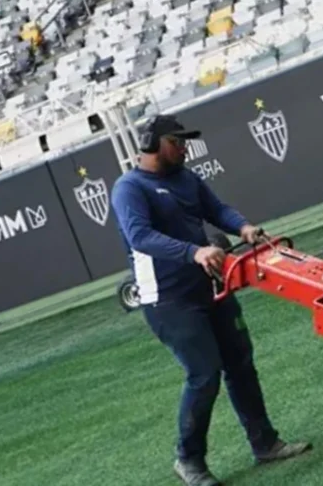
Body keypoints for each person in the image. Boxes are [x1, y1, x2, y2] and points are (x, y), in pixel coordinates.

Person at [110, 114, 312, 486]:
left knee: (241, 364)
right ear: (154, 144)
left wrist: (243, 227)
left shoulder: (185, 178)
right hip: (168, 299)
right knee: (204, 375)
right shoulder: (129, 188)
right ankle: (188, 460)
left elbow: (216, 209)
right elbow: (140, 236)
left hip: (211, 286)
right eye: (177, 141)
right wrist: (194, 252)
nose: (184, 147)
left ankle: (265, 444)